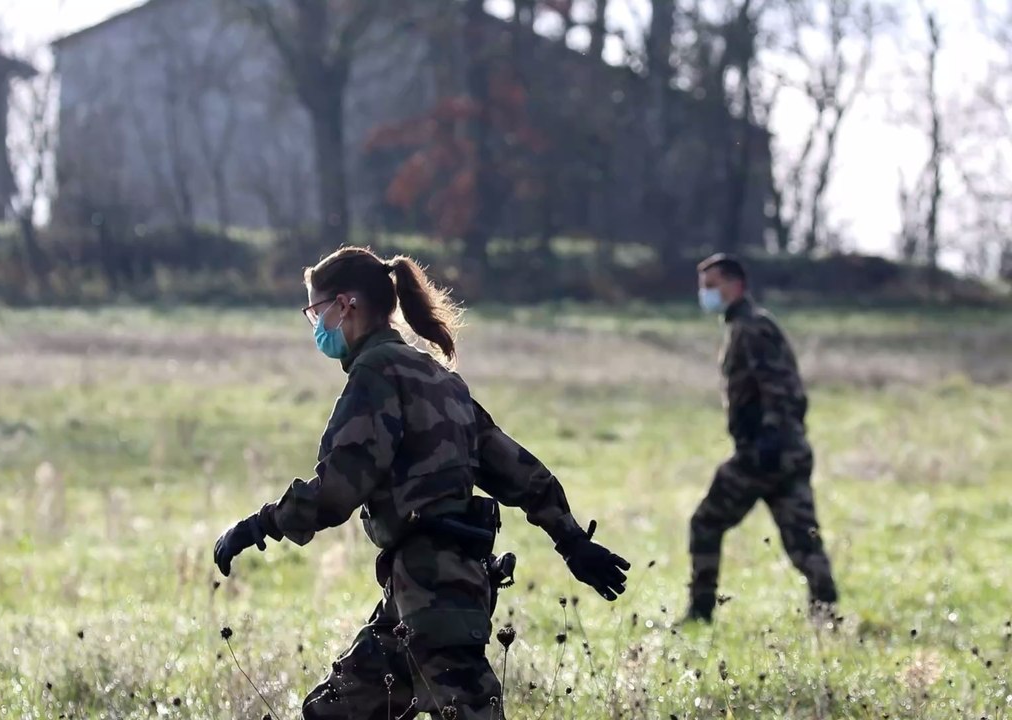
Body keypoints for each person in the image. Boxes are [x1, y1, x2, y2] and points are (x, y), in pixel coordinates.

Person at [213, 247, 630, 720]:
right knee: (335, 712)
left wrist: (257, 526)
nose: (315, 325)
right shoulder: (440, 378)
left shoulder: (376, 374)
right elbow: (520, 472)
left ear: (345, 305)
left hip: (434, 593)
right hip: (427, 591)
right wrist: (571, 540)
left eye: (315, 311)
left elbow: (337, 492)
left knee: (468, 712)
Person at [685, 253, 839, 624]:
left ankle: (701, 611)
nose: (705, 294)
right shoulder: (747, 326)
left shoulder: (752, 328)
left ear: (735, 285)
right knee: (803, 541)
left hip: (766, 453)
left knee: (705, 523)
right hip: (787, 452)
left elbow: (782, 388)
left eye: (712, 286)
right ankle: (827, 616)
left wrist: (768, 439)